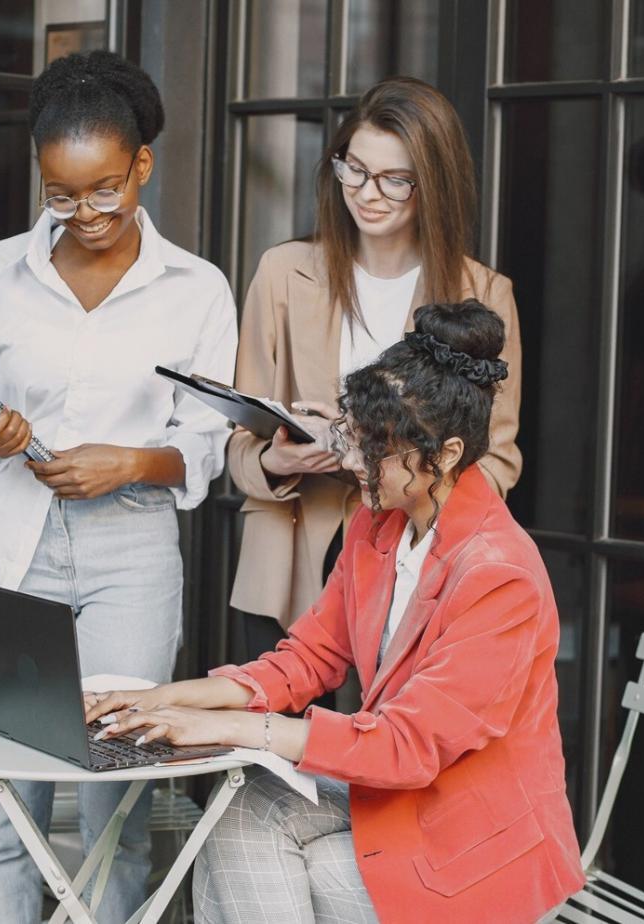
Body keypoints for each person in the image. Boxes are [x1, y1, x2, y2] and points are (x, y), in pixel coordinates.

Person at [87, 301, 582, 923]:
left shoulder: (499, 577)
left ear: (447, 453)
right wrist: (166, 699)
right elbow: (312, 656)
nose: (351, 462)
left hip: (473, 842)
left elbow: (407, 745)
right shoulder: (379, 523)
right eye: (350, 435)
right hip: (405, 797)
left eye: (375, 449)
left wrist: (233, 728)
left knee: (284, 872)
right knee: (239, 814)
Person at [0, 51, 237, 924]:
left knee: (117, 806)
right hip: (14, 545)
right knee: (8, 806)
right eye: (61, 194)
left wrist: (130, 462)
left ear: (141, 165)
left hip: (130, 552)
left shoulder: (196, 289)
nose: (85, 214)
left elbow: (205, 441)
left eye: (104, 189)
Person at [227, 77, 523, 663]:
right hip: (290, 555)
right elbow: (240, 438)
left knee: (381, 744)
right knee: (270, 734)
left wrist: (404, 482)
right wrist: (275, 460)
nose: (367, 193)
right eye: (354, 170)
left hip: (418, 558)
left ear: (432, 184)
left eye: (395, 179)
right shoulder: (284, 274)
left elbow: (498, 458)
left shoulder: (483, 293)